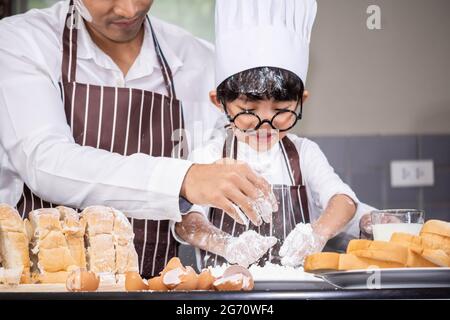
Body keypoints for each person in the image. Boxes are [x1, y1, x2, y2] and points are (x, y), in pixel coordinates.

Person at [0, 0, 275, 277]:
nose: (129, 10)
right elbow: (45, 162)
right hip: (42, 286)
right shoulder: (22, 41)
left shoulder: (201, 62)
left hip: (155, 286)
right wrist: (183, 179)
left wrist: (215, 232)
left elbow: (211, 181)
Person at [174, 0, 373, 269]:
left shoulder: (305, 154)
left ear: (301, 101)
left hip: (300, 292)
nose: (265, 125)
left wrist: (317, 234)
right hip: (224, 294)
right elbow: (187, 222)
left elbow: (344, 201)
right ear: (219, 103)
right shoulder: (208, 157)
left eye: (280, 110)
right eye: (248, 110)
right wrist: (226, 244)